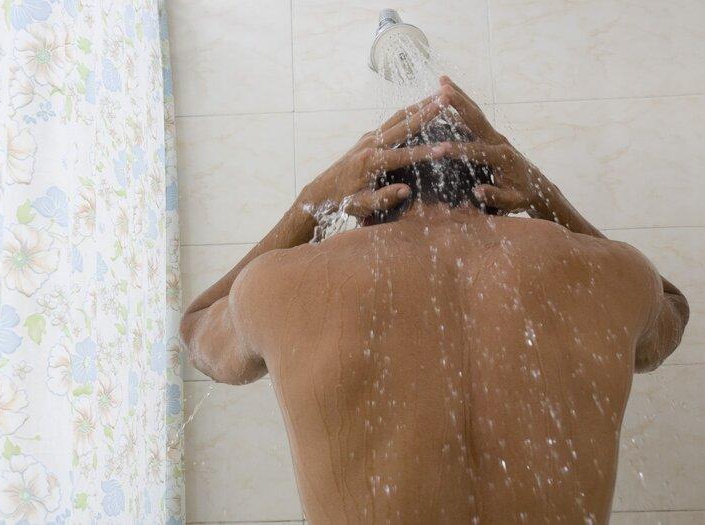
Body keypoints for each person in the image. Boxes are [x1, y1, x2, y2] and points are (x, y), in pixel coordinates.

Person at [180, 76, 689, 524]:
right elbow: (671, 309)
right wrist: (544, 194)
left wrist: (314, 201)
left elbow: (198, 328)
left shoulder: (283, 284)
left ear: (366, 205)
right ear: (500, 194)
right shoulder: (610, 274)